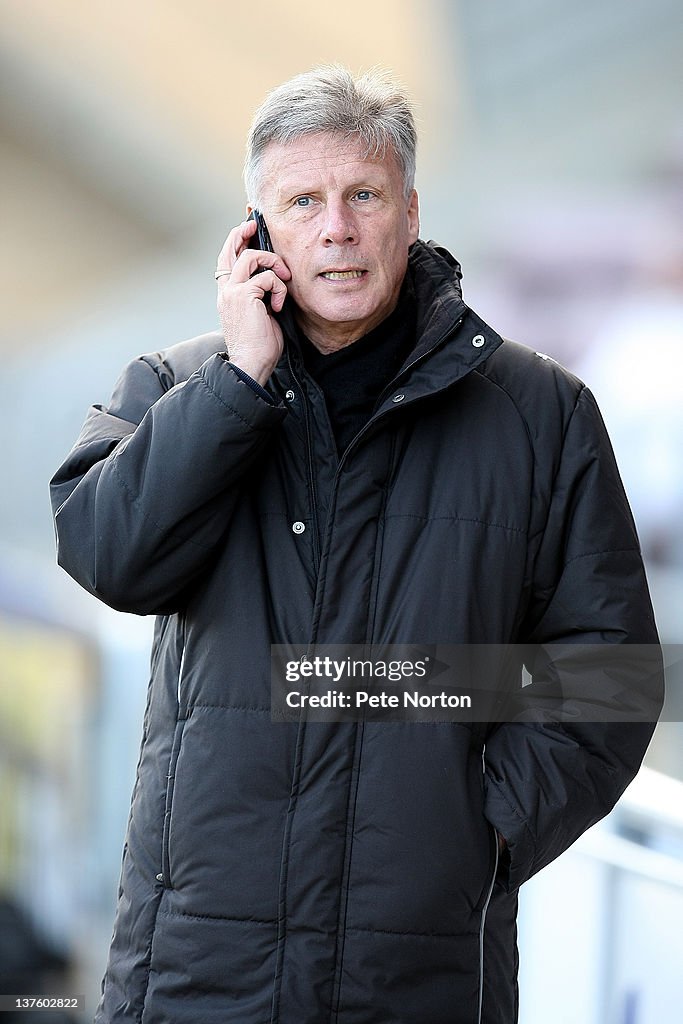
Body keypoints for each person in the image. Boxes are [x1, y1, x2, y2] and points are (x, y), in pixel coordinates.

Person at [50, 66, 662, 1024]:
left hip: (413, 971)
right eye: (302, 201)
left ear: (410, 213)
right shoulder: (176, 386)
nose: (335, 228)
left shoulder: (540, 413)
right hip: (195, 966)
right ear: (254, 232)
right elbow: (107, 558)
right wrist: (235, 389)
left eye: (363, 196)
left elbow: (607, 676)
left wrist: (476, 826)